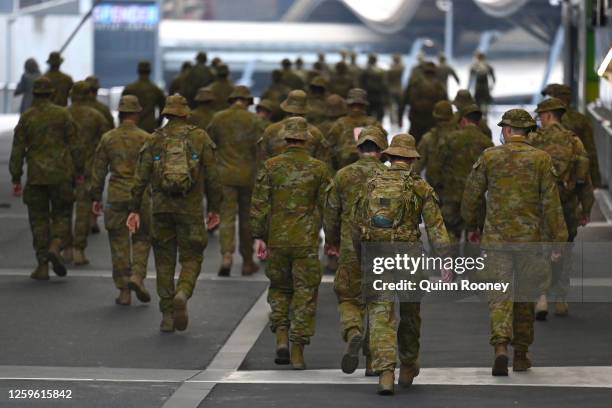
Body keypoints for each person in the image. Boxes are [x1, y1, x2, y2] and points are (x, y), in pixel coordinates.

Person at [461, 109, 568, 377]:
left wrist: (473, 224)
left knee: (499, 295)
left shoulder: (490, 157)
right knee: (525, 297)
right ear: (529, 132)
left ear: (507, 131)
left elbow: (472, 195)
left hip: (496, 241)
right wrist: (559, 239)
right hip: (530, 242)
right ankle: (521, 355)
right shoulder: (542, 160)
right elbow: (551, 204)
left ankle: (500, 347)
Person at [353, 134, 451, 395]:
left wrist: (358, 254)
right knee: (410, 312)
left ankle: (385, 372)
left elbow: (357, 222)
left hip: (376, 253)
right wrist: (445, 260)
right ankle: (408, 364)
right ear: (411, 159)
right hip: (408, 255)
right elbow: (435, 226)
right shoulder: (420, 186)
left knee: (380, 313)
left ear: (389, 157)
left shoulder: (371, 183)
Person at [127, 94, 222, 333]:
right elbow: (213, 178)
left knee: (164, 261)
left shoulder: (154, 139)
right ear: (185, 113)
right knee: (192, 257)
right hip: (190, 210)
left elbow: (140, 179)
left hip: (160, 209)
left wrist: (134, 209)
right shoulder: (199, 137)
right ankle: (183, 292)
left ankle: (167, 315)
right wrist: (214, 208)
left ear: (166, 114)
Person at [250, 117, 331, 370]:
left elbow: (259, 205)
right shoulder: (318, 168)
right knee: (305, 293)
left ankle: (281, 336)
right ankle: (298, 351)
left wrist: (259, 236)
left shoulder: (271, 166)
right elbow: (328, 206)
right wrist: (332, 237)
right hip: (306, 240)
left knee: (280, 289)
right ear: (306, 140)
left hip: (277, 239)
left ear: (286, 139)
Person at [323, 126, 388, 377]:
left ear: (359, 148)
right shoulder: (391, 177)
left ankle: (353, 331)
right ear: (382, 151)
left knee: (348, 296)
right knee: (377, 302)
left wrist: (332, 242)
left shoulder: (343, 175)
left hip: (351, 247)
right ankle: (372, 362)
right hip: (382, 250)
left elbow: (331, 213)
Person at [9, 77, 82, 280]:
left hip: (36, 177)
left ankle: (42, 266)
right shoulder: (63, 115)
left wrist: (16, 176)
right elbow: (75, 145)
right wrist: (80, 171)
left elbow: (17, 150)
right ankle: (56, 244)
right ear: (52, 93)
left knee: (39, 220)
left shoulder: (27, 117)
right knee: (63, 214)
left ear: (34, 94)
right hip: (61, 175)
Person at [529, 98, 594, 318]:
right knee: (564, 248)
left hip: (539, 206)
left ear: (547, 116)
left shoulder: (533, 140)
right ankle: (562, 298)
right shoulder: (574, 142)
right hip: (566, 205)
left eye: (540, 116)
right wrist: (586, 207)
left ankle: (541, 297)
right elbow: (585, 177)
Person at [90, 95, 153, 306]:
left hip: (116, 195)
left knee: (118, 241)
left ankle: (124, 291)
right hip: (141, 195)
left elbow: (98, 171)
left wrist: (95, 197)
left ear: (120, 112)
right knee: (143, 238)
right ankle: (138, 276)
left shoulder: (108, 138)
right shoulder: (146, 138)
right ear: (137, 113)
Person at [207, 86, 262, 277]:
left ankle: (227, 256)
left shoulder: (218, 118)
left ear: (231, 100)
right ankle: (247, 261)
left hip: (225, 176)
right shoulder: (255, 120)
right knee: (247, 220)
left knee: (227, 218)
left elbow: (210, 145)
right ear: (247, 101)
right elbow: (260, 149)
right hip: (249, 176)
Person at [65, 81, 111, 266]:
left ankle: (65, 247)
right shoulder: (97, 116)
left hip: (64, 169)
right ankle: (79, 250)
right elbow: (108, 140)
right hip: (88, 168)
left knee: (63, 210)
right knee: (83, 209)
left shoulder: (62, 115)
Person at [438, 104, 493, 242]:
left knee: (450, 237)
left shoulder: (450, 139)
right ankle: (471, 263)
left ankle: (449, 263)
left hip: (452, 197)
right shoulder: (487, 143)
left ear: (463, 120)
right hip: (476, 201)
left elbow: (436, 168)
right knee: (474, 239)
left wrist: (440, 190)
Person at [542, 84, 602, 188]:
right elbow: (590, 151)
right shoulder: (581, 120)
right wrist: (595, 180)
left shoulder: (544, 119)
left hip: (548, 176)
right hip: (574, 177)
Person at [258, 90, 328, 165]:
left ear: (286, 107)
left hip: (276, 175)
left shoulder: (271, 130)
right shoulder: (315, 133)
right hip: (307, 175)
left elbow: (262, 161)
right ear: (305, 108)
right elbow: (323, 163)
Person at [326, 88, 382, 171]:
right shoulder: (373, 123)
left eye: (358, 105)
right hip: (369, 171)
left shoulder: (340, 123)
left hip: (345, 171)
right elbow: (384, 149)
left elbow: (328, 149)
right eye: (354, 105)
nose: (356, 109)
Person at [413, 100, 458, 197]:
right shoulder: (460, 137)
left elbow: (416, 167)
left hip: (435, 191)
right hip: (457, 192)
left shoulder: (428, 138)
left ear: (435, 118)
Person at [402, 62, 447, 142]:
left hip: (415, 119)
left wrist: (400, 117)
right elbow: (444, 105)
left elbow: (404, 100)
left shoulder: (415, 82)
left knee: (413, 144)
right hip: (431, 120)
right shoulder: (439, 85)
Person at [121, 61, 165, 133]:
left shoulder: (129, 89)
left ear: (138, 71)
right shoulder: (156, 90)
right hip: (150, 127)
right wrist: (157, 124)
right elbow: (163, 109)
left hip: (132, 126)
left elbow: (122, 109)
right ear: (150, 71)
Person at [359, 53, 389, 121]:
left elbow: (360, 84)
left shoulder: (364, 70)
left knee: (367, 118)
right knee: (379, 118)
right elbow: (385, 85)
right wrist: (386, 99)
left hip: (367, 96)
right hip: (379, 97)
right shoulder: (381, 71)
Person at [387, 54, 405, 127]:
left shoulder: (391, 68)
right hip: (399, 89)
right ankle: (400, 121)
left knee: (391, 106)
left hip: (391, 89)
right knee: (400, 106)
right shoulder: (401, 67)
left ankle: (392, 121)